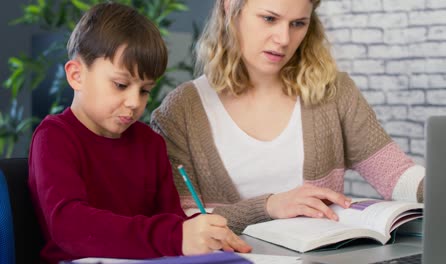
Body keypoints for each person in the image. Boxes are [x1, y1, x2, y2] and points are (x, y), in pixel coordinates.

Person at [151, 0, 425, 235]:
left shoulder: (333, 92)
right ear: (230, 8)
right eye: (269, 19)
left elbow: (397, 175)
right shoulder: (181, 111)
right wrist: (269, 206)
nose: (283, 39)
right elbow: (183, 221)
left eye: (298, 24)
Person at [28, 3, 251, 264]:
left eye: (144, 90)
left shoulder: (150, 143)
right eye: (121, 85)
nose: (135, 102)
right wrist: (175, 236)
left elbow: (171, 220)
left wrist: (200, 233)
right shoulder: (55, 137)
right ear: (77, 75)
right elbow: (71, 227)